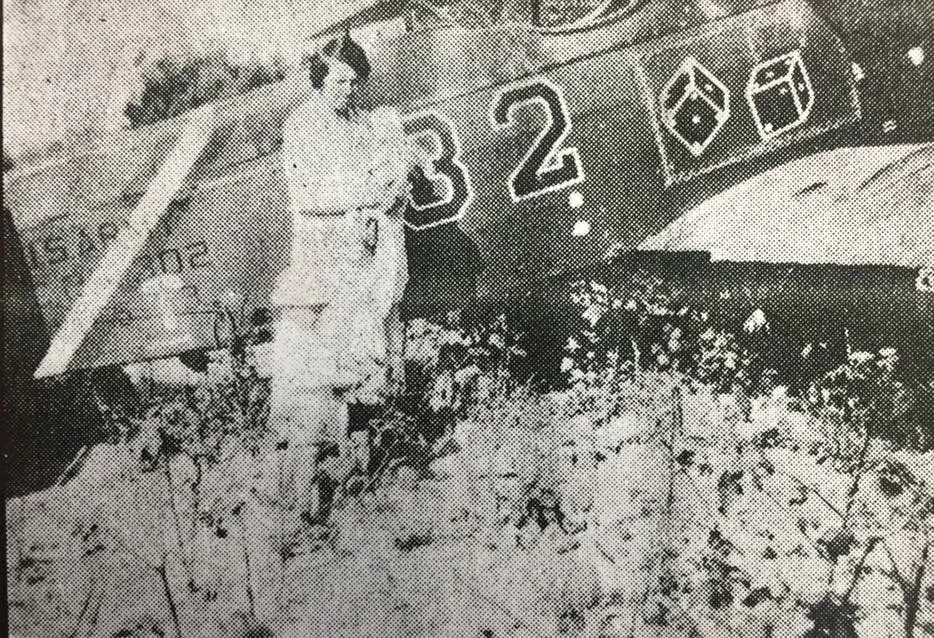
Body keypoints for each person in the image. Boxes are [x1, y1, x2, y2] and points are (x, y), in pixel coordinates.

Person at [268, 32, 415, 525]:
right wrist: (360, 206)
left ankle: (355, 475)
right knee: (316, 373)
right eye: (338, 80)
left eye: (354, 82)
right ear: (319, 80)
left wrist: (393, 186)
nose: (347, 90)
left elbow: (385, 179)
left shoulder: (363, 123)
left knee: (364, 363)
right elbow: (307, 199)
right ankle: (302, 499)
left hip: (362, 254)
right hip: (322, 257)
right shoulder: (302, 129)